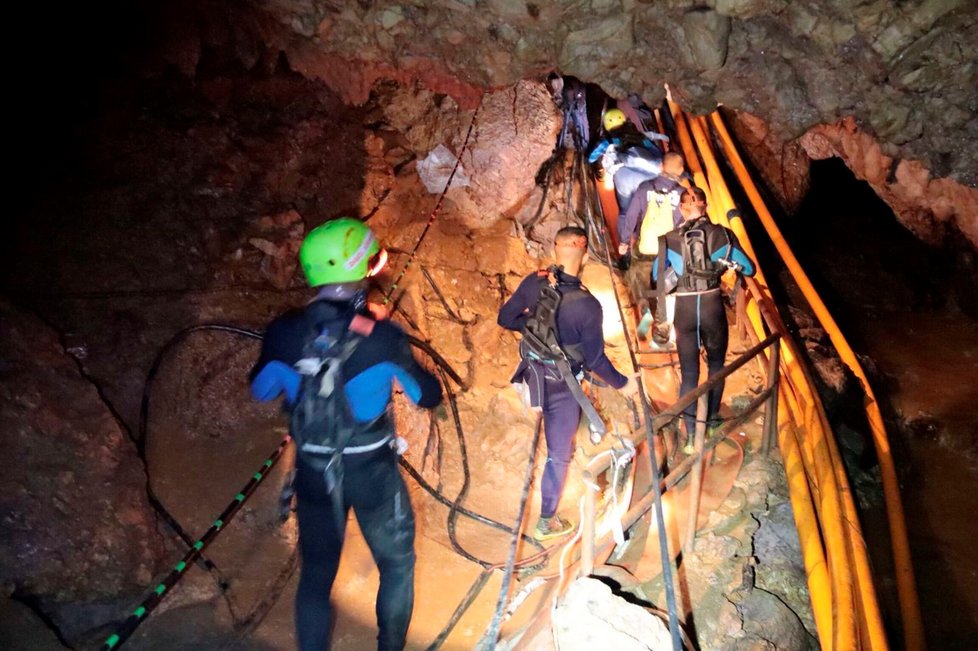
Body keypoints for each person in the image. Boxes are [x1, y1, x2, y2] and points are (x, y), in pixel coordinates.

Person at [249, 217, 442, 651]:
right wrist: (390, 339)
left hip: (315, 468)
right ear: (360, 268)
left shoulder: (283, 330)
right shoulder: (382, 336)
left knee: (316, 574)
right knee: (396, 563)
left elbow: (260, 391)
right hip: (372, 469)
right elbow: (426, 396)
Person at [498, 226, 638, 540]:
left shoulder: (534, 282)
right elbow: (595, 360)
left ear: (553, 252)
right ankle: (546, 521)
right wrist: (623, 384)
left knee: (551, 430)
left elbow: (505, 319)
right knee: (558, 454)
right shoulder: (588, 305)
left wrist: (533, 329)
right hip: (562, 389)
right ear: (585, 256)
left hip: (531, 376)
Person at [651, 188, 755, 450]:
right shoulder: (722, 234)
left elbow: (656, 277)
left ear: (682, 208)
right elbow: (750, 267)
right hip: (711, 307)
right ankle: (709, 423)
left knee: (689, 374)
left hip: (684, 311)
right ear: (706, 206)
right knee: (716, 367)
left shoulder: (668, 239)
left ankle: (689, 437)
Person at [588, 107, 668, 213]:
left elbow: (591, 158)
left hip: (627, 180)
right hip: (652, 174)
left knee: (627, 210)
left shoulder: (608, 141)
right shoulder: (640, 137)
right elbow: (655, 151)